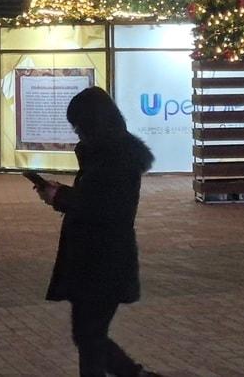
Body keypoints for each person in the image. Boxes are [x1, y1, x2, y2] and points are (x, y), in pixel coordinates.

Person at [34, 86, 157, 377]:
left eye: (79, 125)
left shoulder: (116, 158)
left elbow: (105, 207)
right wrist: (60, 194)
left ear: (93, 122)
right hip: (93, 259)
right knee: (88, 335)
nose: (76, 132)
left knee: (89, 335)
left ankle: (134, 375)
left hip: (105, 260)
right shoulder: (105, 154)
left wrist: (60, 197)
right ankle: (135, 375)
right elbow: (93, 199)